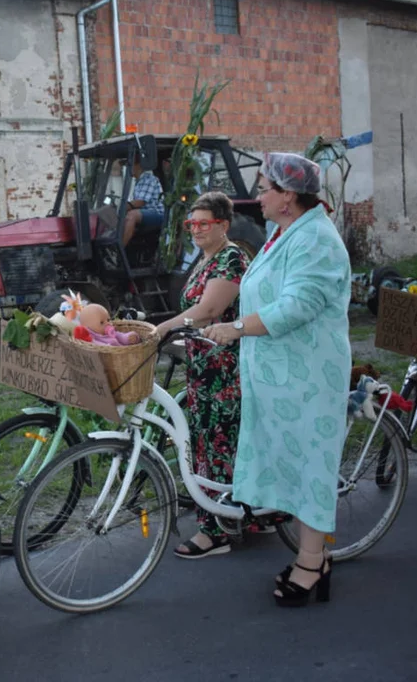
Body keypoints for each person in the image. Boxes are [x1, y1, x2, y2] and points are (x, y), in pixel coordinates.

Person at [203, 153, 350, 607]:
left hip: (309, 376)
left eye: (265, 187)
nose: (258, 196)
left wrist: (237, 327)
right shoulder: (282, 233)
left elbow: (297, 306)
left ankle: (312, 562)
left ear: (288, 196)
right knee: (291, 461)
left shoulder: (318, 240)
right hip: (281, 376)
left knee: (311, 467)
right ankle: (311, 555)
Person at [155, 192, 249, 558]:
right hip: (203, 366)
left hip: (225, 369)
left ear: (222, 225)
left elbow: (210, 310)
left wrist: (163, 327)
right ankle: (232, 516)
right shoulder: (206, 257)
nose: (195, 229)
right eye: (191, 223)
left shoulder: (231, 258)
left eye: (203, 223)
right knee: (204, 444)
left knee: (219, 443)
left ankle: (217, 531)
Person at [121, 151, 165, 247]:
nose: (127, 168)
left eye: (130, 165)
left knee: (131, 215)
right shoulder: (138, 182)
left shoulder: (148, 179)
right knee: (121, 219)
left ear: (138, 165)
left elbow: (140, 202)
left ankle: (119, 248)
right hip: (147, 213)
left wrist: (122, 207)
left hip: (158, 214)